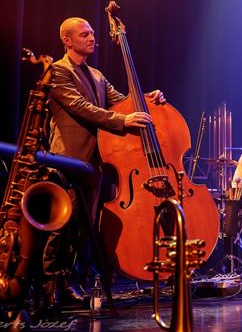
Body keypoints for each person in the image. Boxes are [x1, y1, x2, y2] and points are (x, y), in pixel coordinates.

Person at [43, 17, 165, 310]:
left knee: (86, 226)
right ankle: (49, 285)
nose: (92, 38)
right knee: (63, 223)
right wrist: (123, 120)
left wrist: (146, 98)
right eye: (84, 34)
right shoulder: (58, 71)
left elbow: (121, 101)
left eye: (93, 34)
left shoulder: (97, 75)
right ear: (67, 41)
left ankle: (72, 281)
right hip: (68, 159)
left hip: (95, 161)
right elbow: (83, 108)